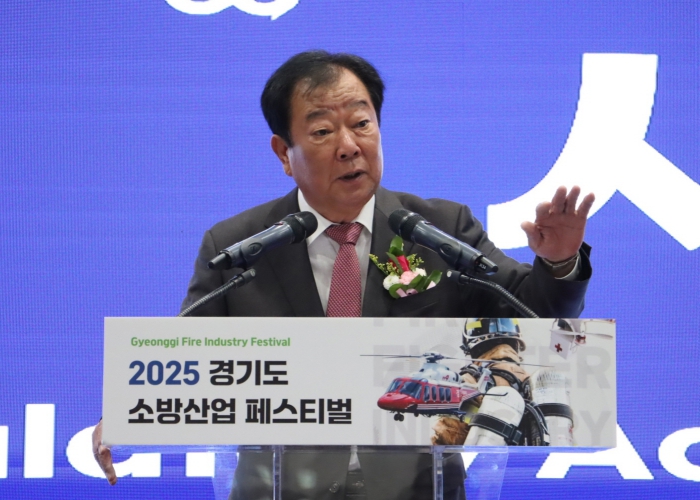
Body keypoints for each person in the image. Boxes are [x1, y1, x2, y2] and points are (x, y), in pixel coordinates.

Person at [93, 50, 595, 499]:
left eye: (361, 123)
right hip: (279, 489)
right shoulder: (238, 246)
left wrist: (559, 262)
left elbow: (534, 318)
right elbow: (190, 362)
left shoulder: (441, 229)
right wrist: (130, 408)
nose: (349, 145)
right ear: (283, 153)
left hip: (417, 489)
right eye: (322, 131)